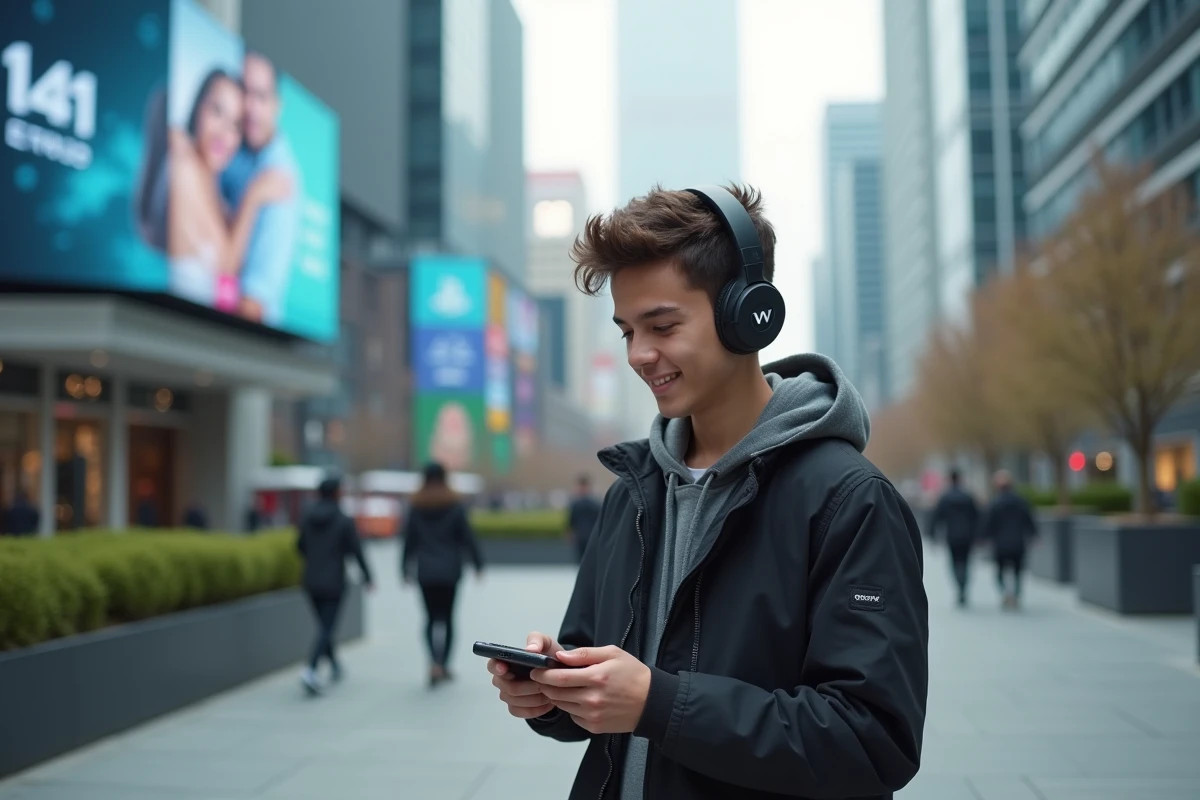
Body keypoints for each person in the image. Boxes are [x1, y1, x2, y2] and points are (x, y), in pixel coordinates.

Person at [487, 184, 929, 800]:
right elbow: (603, 678)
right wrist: (552, 693)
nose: (640, 355)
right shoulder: (633, 494)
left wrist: (658, 703)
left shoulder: (850, 501)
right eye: (626, 332)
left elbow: (871, 740)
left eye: (662, 325)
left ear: (748, 315)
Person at [165, 68, 292, 311]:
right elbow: (226, 267)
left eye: (235, 125)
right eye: (217, 111)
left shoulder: (211, 182)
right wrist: (253, 197)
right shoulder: (185, 165)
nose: (224, 134)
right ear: (197, 108)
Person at [220, 51, 300, 327]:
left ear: (277, 104)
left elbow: (252, 305)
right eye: (244, 92)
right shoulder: (230, 148)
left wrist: (252, 198)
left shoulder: (278, 180)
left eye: (261, 96)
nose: (251, 108)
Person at [401, 462, 485, 686]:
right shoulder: (454, 504)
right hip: (450, 570)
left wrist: (404, 569)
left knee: (429, 619)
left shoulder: (417, 506)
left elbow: (409, 540)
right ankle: (443, 663)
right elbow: (467, 537)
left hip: (425, 570)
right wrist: (478, 564)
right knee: (448, 619)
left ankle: (433, 662)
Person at [296, 476, 373, 695]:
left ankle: (335, 665)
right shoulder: (343, 520)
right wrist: (367, 576)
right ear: (337, 493)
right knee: (326, 628)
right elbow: (356, 550)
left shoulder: (307, 518)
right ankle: (310, 669)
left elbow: (299, 546)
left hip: (310, 580)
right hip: (334, 582)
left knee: (323, 626)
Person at [979, 470, 1037, 610]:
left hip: (1000, 544)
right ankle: (1015, 595)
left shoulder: (994, 503)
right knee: (1017, 571)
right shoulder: (1020, 501)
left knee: (999, 571)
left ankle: (1006, 593)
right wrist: (1033, 535)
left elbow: (988, 523)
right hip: (1018, 542)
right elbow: (1028, 520)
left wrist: (982, 538)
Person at [929, 468, 980, 607]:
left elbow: (936, 517)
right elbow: (977, 517)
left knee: (954, 562)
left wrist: (932, 534)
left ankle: (959, 586)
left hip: (952, 536)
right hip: (967, 535)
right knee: (966, 562)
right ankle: (963, 586)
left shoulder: (945, 498)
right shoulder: (968, 497)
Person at [566, 474, 601, 562]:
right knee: (581, 560)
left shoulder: (594, 504)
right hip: (580, 537)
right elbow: (571, 520)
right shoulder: (575, 503)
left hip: (592, 536)